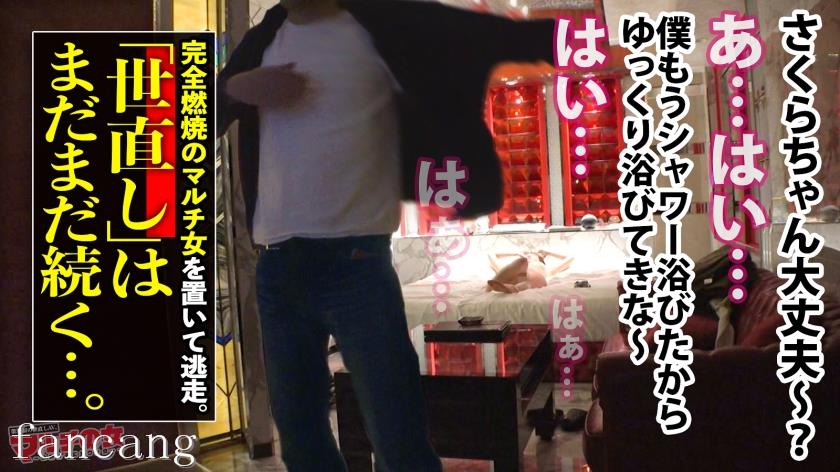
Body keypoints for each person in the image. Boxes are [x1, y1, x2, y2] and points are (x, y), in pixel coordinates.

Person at [216, 1, 554, 470]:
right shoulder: (266, 35)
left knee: (398, 434)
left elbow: (482, 44)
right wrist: (236, 87)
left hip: (357, 263)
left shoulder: (381, 26)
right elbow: (194, 112)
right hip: (278, 264)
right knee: (299, 434)